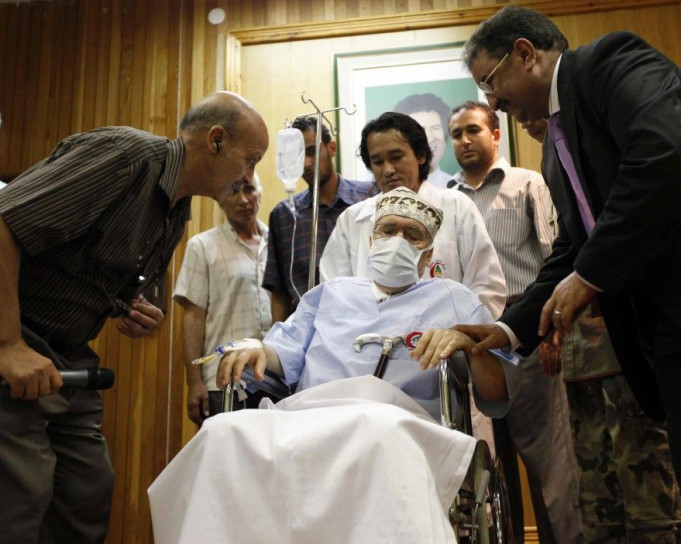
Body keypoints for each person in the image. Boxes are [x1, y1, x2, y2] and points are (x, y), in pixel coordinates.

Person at [456, 5, 681, 541]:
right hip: (672, 324)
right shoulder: (557, 153)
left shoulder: (611, 61)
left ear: (525, 54)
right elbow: (571, 250)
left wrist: (590, 275)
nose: (492, 102)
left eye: (490, 83)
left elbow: (660, 153)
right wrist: (509, 328)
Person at [148, 187, 519, 543]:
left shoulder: (453, 299)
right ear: (371, 241)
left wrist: (472, 347)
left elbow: (496, 394)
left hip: (400, 421)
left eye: (413, 235)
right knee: (222, 432)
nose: (397, 240)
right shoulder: (330, 293)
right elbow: (284, 350)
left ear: (428, 255)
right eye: (388, 230)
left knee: (378, 429)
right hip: (310, 414)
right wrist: (258, 349)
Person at [0, 91, 269, 543]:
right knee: (20, 494)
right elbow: (4, 222)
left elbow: (93, 270)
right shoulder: (124, 157)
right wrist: (7, 345)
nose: (251, 176)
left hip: (66, 354)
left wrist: (128, 307)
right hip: (16, 337)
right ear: (217, 141)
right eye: (252, 159)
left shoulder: (175, 211)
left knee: (87, 493)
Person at [523, 118, 681, 543]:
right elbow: (566, 253)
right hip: (581, 356)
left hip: (625, 350)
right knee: (597, 493)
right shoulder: (551, 162)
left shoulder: (602, 156)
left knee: (647, 480)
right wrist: (552, 328)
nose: (525, 119)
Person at [449, 101, 583, 544]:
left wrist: (551, 332)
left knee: (551, 471)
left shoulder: (528, 184)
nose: (464, 141)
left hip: (528, 346)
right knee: (489, 472)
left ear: (495, 134)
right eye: (456, 134)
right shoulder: (444, 201)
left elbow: (556, 261)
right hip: (476, 356)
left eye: (472, 130)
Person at [320, 111, 507, 320]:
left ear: (421, 155)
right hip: (369, 342)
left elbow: (486, 286)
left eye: (396, 157)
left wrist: (459, 334)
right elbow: (334, 294)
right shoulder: (352, 220)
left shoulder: (455, 207)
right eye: (378, 162)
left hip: (445, 342)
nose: (388, 170)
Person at [174, 172, 271, 425]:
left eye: (249, 189)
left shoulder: (277, 243)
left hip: (270, 379)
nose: (243, 199)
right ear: (220, 200)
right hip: (223, 382)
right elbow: (193, 317)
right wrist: (194, 382)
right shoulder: (203, 246)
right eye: (233, 191)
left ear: (259, 194)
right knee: (225, 462)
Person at [262, 116, 374, 322]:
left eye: (312, 151)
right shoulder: (284, 215)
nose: (305, 163)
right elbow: (279, 293)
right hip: (305, 330)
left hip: (363, 323)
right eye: (296, 156)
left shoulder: (368, 198)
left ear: (331, 148)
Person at [394, 93, 454, 188]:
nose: (430, 138)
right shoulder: (390, 187)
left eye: (436, 128)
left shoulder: (455, 188)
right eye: (420, 129)